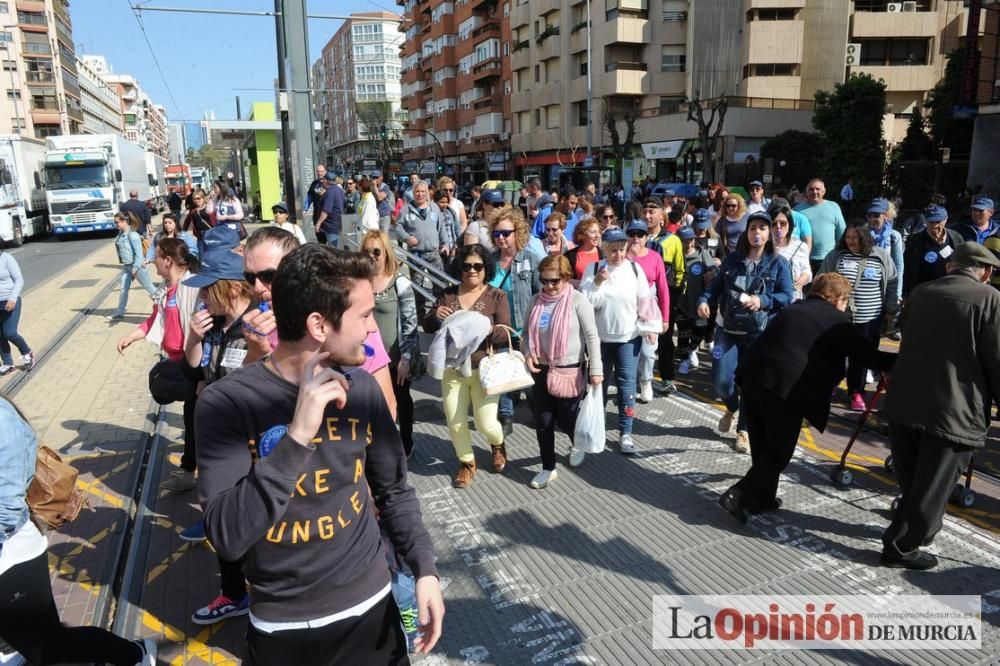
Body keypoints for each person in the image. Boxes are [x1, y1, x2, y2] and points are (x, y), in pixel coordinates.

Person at [195, 244, 443, 660]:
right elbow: (227, 537)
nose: (371, 329)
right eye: (363, 316)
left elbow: (394, 491)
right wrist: (296, 438)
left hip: (373, 611)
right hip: (285, 630)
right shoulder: (226, 404)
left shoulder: (362, 389)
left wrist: (425, 569)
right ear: (319, 324)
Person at [718, 273, 896, 524]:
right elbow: (867, 356)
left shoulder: (795, 308)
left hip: (753, 378)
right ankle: (740, 494)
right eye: (846, 301)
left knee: (763, 445)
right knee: (779, 451)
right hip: (785, 390)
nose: (846, 307)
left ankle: (763, 498)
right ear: (837, 299)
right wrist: (899, 360)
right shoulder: (837, 321)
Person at [0, 396, 157, 666]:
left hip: (11, 555)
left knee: (50, 648)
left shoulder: (2, 422)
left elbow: (6, 511)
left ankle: (135, 655)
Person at [881, 243, 1000, 569]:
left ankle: (917, 529)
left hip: (905, 402)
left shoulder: (921, 291)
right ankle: (900, 547)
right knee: (933, 487)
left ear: (951, 267)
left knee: (915, 482)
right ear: (986, 272)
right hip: (953, 410)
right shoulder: (989, 299)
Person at [181, 246, 258, 625]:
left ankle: (255, 595)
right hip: (221, 446)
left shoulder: (257, 326)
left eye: (206, 289)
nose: (199, 297)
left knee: (253, 526)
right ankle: (234, 594)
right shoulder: (215, 324)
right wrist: (193, 339)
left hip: (249, 445)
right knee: (225, 524)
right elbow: (196, 366)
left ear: (229, 289)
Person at [697, 211, 795, 453]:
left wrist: (762, 300)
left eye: (762, 228)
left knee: (751, 384)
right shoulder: (733, 260)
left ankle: (744, 431)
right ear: (747, 232)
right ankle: (732, 406)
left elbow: (787, 295)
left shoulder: (778, 263)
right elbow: (716, 286)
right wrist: (703, 300)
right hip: (726, 329)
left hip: (759, 334)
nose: (757, 232)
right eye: (753, 228)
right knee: (721, 383)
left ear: (769, 233)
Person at [116, 238, 202, 494]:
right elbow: (155, 319)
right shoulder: (167, 288)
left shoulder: (193, 286)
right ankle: (190, 469)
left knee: (195, 419)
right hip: (180, 362)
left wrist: (204, 374)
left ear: (168, 260)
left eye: (156, 255)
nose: (152, 260)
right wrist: (131, 337)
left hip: (196, 364)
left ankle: (193, 471)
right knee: (190, 417)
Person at [423, 244, 511, 488]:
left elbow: (506, 332)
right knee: (455, 421)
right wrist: (434, 315)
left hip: (484, 370)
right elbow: (430, 327)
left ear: (486, 269)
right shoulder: (448, 295)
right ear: (459, 268)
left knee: (486, 423)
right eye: (466, 266)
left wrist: (486, 328)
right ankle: (467, 463)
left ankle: (497, 443)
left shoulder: (496, 296)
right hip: (453, 370)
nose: (472, 270)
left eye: (478, 266)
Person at [522, 255, 602, 487]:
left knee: (567, 420)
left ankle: (576, 442)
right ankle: (548, 467)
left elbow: (592, 336)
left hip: (570, 370)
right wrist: (528, 352)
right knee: (543, 421)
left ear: (566, 278)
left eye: (554, 281)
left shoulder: (578, 300)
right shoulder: (535, 300)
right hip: (541, 369)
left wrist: (596, 369)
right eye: (544, 280)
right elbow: (526, 333)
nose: (548, 286)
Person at [581, 227, 656, 455]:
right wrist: (597, 282)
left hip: (628, 338)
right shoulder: (593, 269)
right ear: (604, 249)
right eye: (613, 250)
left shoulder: (634, 269)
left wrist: (650, 327)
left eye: (622, 250)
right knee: (598, 384)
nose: (619, 255)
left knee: (626, 385)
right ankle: (598, 428)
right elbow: (586, 304)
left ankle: (626, 432)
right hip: (599, 340)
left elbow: (645, 300)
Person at [817, 220, 898, 412]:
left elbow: (893, 282)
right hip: (840, 318)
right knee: (833, 353)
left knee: (862, 357)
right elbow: (821, 278)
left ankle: (856, 392)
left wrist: (890, 309)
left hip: (870, 318)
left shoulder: (881, 256)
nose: (851, 241)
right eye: (848, 237)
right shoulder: (837, 255)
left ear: (864, 237)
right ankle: (829, 386)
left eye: (855, 237)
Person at [362, 230, 420, 456]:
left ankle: (406, 440)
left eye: (377, 251)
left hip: (396, 358)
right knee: (371, 404)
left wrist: (406, 357)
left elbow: (411, 322)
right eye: (366, 251)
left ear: (386, 253)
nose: (372, 256)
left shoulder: (400, 282)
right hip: (367, 358)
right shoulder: (360, 282)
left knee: (401, 399)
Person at [487, 207, 540, 436]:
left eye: (505, 233)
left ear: (516, 232)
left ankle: (538, 411)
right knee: (504, 373)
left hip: (525, 327)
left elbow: (540, 293)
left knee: (530, 373)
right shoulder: (488, 261)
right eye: (496, 233)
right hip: (500, 328)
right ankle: (506, 415)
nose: (500, 238)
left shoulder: (530, 259)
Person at [625, 219, 670, 403]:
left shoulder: (654, 257)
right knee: (628, 351)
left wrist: (665, 318)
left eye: (640, 234)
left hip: (649, 310)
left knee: (647, 352)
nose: (636, 238)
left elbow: (663, 288)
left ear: (646, 237)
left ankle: (645, 381)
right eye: (632, 234)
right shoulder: (622, 257)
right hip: (627, 309)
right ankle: (628, 385)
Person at [392, 180, 448, 314]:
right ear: (413, 193)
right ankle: (420, 312)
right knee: (417, 286)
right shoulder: (406, 209)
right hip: (416, 254)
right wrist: (406, 237)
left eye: (423, 191)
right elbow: (397, 227)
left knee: (439, 283)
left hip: (433, 253)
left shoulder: (434, 207)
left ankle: (437, 311)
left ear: (428, 193)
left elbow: (441, 228)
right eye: (417, 191)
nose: (420, 194)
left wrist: (445, 243)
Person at [675, 227, 717, 374]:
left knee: (700, 330)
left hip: (699, 302)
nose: (689, 243)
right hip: (681, 303)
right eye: (685, 240)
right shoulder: (677, 256)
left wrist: (711, 272)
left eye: (691, 239)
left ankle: (692, 349)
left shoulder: (702, 253)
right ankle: (684, 360)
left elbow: (715, 269)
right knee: (683, 333)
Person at [901, 204, 965, 301]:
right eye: (931, 222)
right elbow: (907, 267)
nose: (934, 226)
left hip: (950, 293)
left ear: (946, 220)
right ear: (925, 221)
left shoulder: (956, 238)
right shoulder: (916, 240)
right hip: (922, 294)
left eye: (938, 222)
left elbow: (963, 265)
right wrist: (905, 293)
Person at [109, 212, 157, 320]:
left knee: (150, 288)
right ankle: (119, 313)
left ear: (124, 221)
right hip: (126, 266)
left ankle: (165, 306)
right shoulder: (121, 234)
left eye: (117, 222)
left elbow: (139, 254)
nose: (115, 224)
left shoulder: (133, 235)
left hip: (137, 267)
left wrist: (135, 269)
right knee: (123, 289)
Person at [795, 179, 847, 273]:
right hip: (804, 259)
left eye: (818, 189)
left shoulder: (834, 207)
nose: (814, 192)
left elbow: (842, 233)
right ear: (806, 192)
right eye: (811, 189)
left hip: (828, 258)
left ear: (824, 191)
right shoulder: (797, 210)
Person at [769, 202, 812, 301]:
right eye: (774, 223)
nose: (778, 227)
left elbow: (807, 271)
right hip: (772, 298)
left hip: (794, 298)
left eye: (783, 223)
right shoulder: (765, 247)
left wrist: (801, 280)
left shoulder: (801, 247)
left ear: (790, 225)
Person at [0, 248, 32, 375]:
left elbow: (19, 279)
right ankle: (8, 363)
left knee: (9, 333)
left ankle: (26, 352)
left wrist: (13, 298)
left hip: (10, 300)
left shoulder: (6, 258)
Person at [867, 198, 904, 303]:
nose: (872, 219)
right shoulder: (862, 234)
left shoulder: (894, 237)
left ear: (886, 216)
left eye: (876, 215)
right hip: (867, 285)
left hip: (887, 286)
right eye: (870, 215)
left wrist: (897, 295)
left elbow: (898, 268)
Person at [564, 218, 603, 285]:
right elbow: (563, 278)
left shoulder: (604, 254)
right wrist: (578, 283)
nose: (597, 235)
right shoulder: (569, 255)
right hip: (578, 293)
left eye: (598, 232)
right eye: (593, 232)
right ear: (582, 235)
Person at [315, 172, 345, 247]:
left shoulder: (330, 192)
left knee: (334, 251)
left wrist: (318, 224)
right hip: (338, 224)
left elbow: (326, 211)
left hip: (331, 226)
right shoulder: (340, 190)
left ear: (326, 181)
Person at [304, 164, 328, 240]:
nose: (319, 173)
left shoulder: (329, 183)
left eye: (321, 171)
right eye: (318, 171)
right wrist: (305, 208)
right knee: (320, 237)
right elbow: (309, 196)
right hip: (317, 214)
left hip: (327, 215)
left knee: (329, 237)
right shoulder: (314, 183)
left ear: (325, 172)